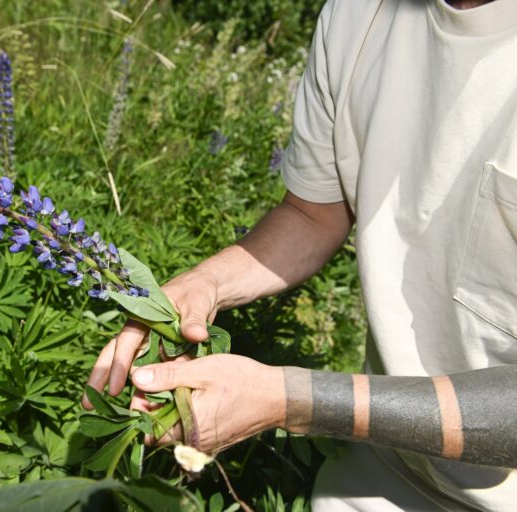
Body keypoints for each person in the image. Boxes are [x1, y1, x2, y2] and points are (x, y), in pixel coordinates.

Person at [83, 0, 517, 509]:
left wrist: (287, 400)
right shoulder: (357, 13)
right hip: (382, 466)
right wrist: (203, 285)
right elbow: (315, 213)